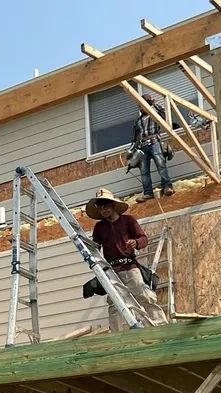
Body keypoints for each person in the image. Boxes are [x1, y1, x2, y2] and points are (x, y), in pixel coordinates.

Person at [87, 188, 167, 331]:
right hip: (111, 270)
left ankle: (161, 326)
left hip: (129, 266)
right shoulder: (99, 227)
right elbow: (96, 247)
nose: (103, 209)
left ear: (112, 205)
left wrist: (136, 243)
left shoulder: (128, 221)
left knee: (144, 296)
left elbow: (143, 238)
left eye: (105, 204)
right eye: (100, 206)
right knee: (114, 303)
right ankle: (116, 335)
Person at [132, 92, 174, 201]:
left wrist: (153, 103)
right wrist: (133, 151)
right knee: (144, 170)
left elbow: (164, 114)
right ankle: (148, 193)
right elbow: (136, 137)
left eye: (143, 105)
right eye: (140, 106)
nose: (141, 108)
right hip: (143, 147)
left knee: (161, 164)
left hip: (155, 142)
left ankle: (167, 186)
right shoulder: (138, 121)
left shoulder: (154, 114)